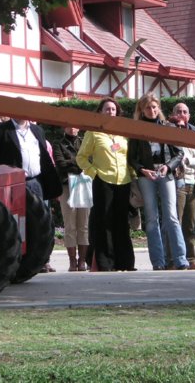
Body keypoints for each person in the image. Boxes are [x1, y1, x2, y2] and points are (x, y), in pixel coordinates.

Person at [0, 114, 61, 273]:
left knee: (41, 222)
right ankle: (15, 262)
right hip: (13, 182)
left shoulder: (37, 130)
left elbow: (44, 156)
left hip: (36, 182)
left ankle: (43, 261)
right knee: (15, 222)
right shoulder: (2, 131)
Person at [127, 93, 188, 270]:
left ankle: (181, 259)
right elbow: (132, 157)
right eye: (148, 107)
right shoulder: (137, 130)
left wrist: (168, 167)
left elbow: (179, 153)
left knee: (171, 216)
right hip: (147, 175)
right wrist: (142, 170)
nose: (152, 110)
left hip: (165, 173)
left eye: (154, 107)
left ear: (158, 108)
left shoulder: (168, 127)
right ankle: (158, 262)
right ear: (141, 110)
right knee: (152, 219)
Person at [75, 98, 134, 271]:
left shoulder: (123, 132)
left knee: (122, 222)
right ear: (100, 112)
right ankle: (105, 262)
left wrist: (134, 173)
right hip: (103, 181)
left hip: (124, 180)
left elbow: (128, 157)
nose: (110, 112)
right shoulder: (93, 133)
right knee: (104, 222)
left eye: (113, 109)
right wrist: (94, 173)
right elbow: (81, 157)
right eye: (107, 109)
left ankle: (125, 262)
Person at [168, 115, 195, 269]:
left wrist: (188, 161)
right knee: (174, 223)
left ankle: (190, 259)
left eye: (182, 126)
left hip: (192, 185)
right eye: (176, 126)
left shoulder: (188, 144)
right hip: (178, 185)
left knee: (189, 226)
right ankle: (172, 260)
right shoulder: (169, 144)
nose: (180, 129)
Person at [53, 126, 89, 272]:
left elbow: (90, 160)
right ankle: (72, 261)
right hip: (66, 185)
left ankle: (82, 261)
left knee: (84, 224)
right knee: (70, 224)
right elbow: (60, 164)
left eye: (74, 126)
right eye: (68, 126)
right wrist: (79, 161)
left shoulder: (84, 142)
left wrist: (72, 161)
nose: (71, 128)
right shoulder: (58, 143)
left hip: (84, 185)